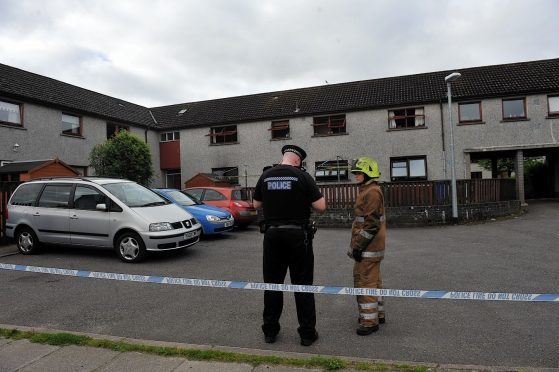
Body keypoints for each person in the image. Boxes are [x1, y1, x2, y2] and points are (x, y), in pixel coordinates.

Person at [253, 144, 326, 346]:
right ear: (297, 161)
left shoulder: (266, 175)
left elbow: (256, 204)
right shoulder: (302, 177)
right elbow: (321, 207)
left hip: (272, 236)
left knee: (272, 285)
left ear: (283, 157)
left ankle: (270, 331)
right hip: (297, 238)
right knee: (303, 286)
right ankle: (307, 334)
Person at [348, 157, 386, 336]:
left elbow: (371, 224)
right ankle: (377, 314)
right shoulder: (369, 190)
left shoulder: (371, 192)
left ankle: (369, 322)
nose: (355, 176)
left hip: (368, 249)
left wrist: (358, 247)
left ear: (368, 173)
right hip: (372, 248)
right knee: (374, 282)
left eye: (358, 173)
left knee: (364, 282)